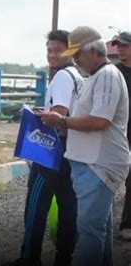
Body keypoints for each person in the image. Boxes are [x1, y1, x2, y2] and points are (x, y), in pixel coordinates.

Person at [38, 26, 129, 266]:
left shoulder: (106, 76)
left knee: (89, 231)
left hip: (98, 163)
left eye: (77, 54)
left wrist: (62, 121)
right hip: (92, 163)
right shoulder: (97, 76)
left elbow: (100, 120)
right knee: (100, 230)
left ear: (93, 51)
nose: (75, 59)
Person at [5, 30, 83, 266]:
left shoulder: (61, 77)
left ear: (70, 51)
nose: (51, 55)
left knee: (36, 207)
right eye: (49, 50)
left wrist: (38, 116)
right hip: (70, 152)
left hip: (50, 152)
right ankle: (64, 257)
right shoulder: (78, 75)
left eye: (57, 50)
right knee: (68, 207)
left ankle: (30, 257)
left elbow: (59, 112)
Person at [111, 31, 131, 241]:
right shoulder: (114, 72)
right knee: (111, 175)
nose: (121, 48)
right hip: (117, 131)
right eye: (119, 45)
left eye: (125, 45)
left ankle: (127, 223)